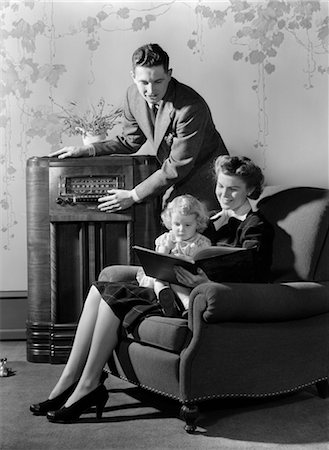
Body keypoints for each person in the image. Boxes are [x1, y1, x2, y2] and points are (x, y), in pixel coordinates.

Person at [30, 155, 273, 423]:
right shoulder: (212, 219)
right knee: (101, 289)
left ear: (249, 190)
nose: (224, 194)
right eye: (220, 187)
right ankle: (69, 381)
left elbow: (254, 273)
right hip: (175, 286)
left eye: (233, 189)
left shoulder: (257, 226)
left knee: (113, 296)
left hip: (198, 297)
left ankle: (88, 386)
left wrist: (205, 282)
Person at [48, 43, 228, 211]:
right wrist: (87, 150)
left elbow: (178, 165)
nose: (151, 90)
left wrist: (133, 196)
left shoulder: (191, 107)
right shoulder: (132, 96)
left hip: (208, 182)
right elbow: (130, 141)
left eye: (158, 81)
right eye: (144, 82)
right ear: (133, 77)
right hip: (175, 179)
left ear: (169, 74)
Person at [136, 194, 211, 317]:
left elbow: (201, 262)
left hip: (184, 278)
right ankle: (164, 299)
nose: (181, 229)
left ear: (197, 223)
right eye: (177, 224)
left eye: (187, 225)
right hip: (163, 275)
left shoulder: (201, 242)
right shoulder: (166, 238)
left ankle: (186, 306)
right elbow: (158, 259)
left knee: (176, 282)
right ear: (170, 221)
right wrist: (166, 247)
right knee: (159, 280)